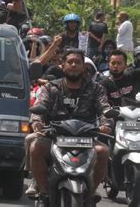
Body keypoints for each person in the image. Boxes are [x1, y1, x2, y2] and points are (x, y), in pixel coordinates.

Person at [29, 48, 113, 206]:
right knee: (35, 147)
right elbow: (40, 106)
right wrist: (37, 122)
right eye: (70, 62)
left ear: (83, 66)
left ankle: (91, 193)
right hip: (54, 136)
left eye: (78, 62)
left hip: (86, 138)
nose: (74, 65)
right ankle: (43, 193)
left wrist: (106, 124)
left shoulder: (96, 88)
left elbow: (105, 109)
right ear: (63, 65)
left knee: (103, 151)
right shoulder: (51, 87)